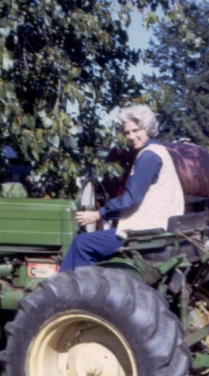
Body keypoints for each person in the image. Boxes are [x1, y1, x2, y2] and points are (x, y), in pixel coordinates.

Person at [60, 105, 184, 271]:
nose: (131, 136)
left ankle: (76, 293)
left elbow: (130, 201)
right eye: (127, 132)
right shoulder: (159, 151)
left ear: (147, 128)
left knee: (81, 243)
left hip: (145, 231)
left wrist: (98, 214)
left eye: (136, 130)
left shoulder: (148, 156)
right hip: (157, 225)